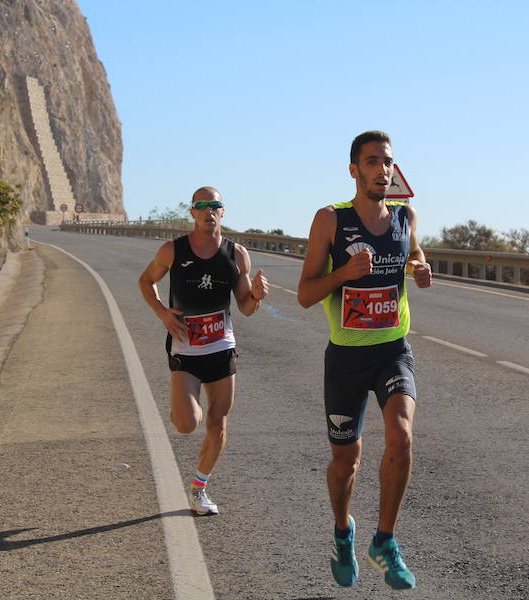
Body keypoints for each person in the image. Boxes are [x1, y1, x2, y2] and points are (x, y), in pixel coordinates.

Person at [297, 131, 432, 590]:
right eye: (372, 161)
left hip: (393, 350)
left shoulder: (404, 215)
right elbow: (304, 294)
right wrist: (343, 274)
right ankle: (342, 532)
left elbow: (413, 253)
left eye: (388, 161)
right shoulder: (330, 221)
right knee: (346, 462)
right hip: (347, 358)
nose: (382, 169)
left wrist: (420, 267)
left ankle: (385, 542)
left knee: (402, 434)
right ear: (354, 169)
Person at [138, 186, 269, 515]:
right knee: (186, 423)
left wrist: (256, 295)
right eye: (202, 206)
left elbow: (245, 306)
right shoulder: (173, 250)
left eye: (215, 205)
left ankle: (199, 489)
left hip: (222, 348)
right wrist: (162, 313)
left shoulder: (236, 254)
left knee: (218, 423)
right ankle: (180, 408)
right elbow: (146, 281)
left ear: (222, 211)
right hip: (186, 349)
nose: (208, 211)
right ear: (192, 212)